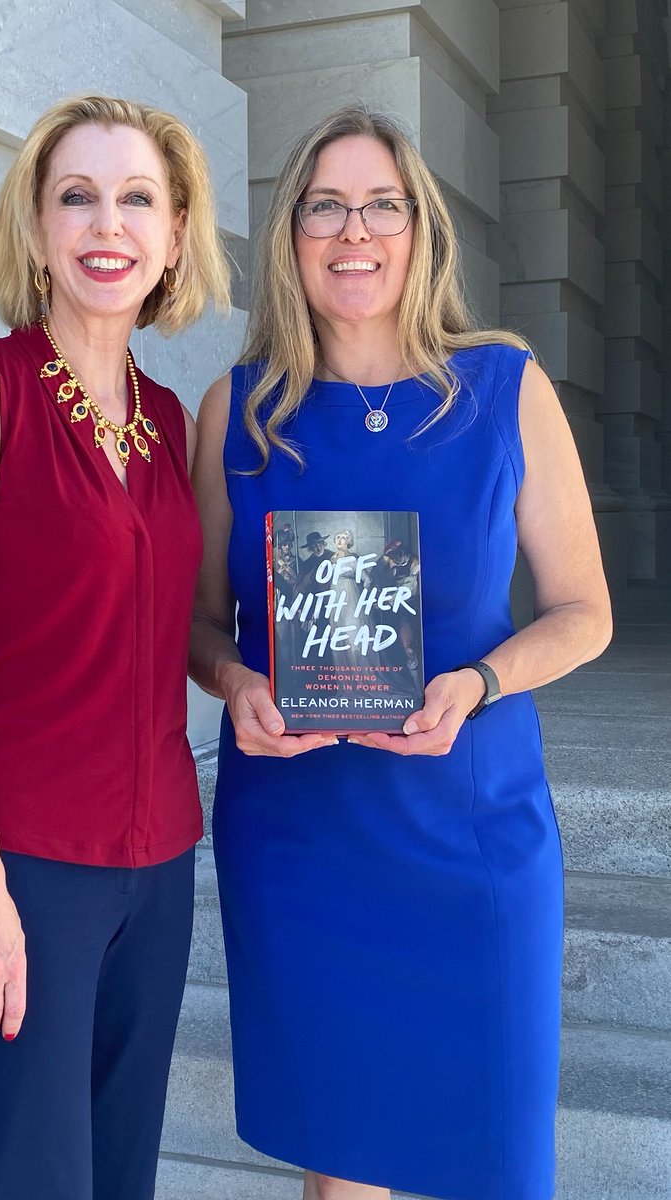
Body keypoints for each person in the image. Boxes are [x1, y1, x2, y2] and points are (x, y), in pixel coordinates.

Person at [189, 104, 611, 1200]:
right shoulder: (236, 412)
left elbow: (583, 612)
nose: (355, 231)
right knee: (345, 1170)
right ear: (290, 235)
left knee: (497, 1159)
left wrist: (478, 682)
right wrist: (235, 683)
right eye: (325, 205)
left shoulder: (505, 389)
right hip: (303, 835)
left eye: (384, 204)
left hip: (471, 830)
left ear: (422, 230)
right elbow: (197, 624)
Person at [0, 93, 229, 1200]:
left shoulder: (167, 418)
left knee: (119, 1177)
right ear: (37, 228)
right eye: (75, 196)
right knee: (26, 1179)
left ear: (176, 236)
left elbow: (165, 625)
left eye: (138, 199)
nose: (107, 224)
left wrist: (246, 683)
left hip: (159, 864)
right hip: (22, 864)